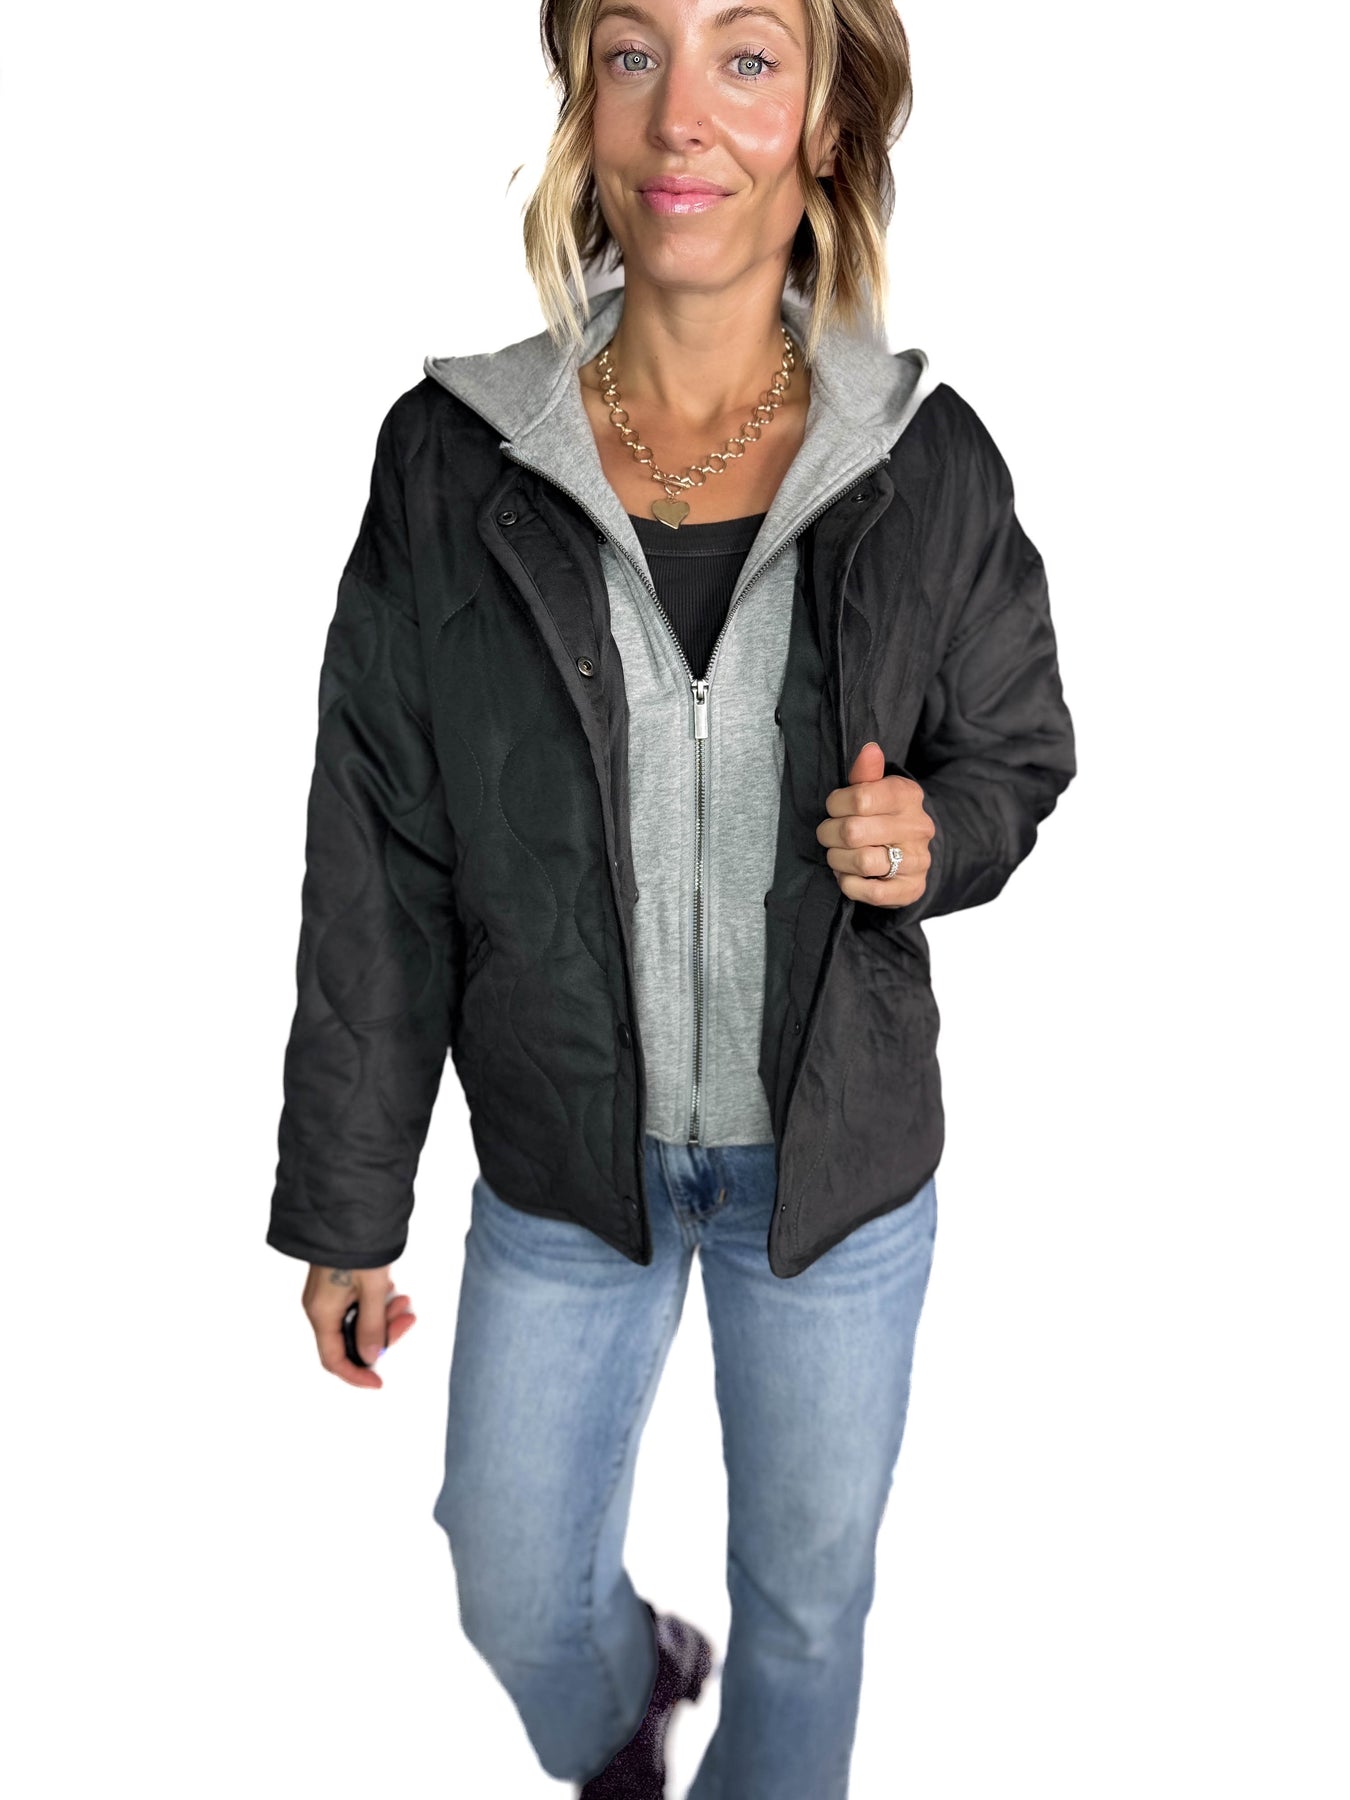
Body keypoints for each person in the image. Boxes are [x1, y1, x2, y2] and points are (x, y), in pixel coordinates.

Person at [266, 1, 1076, 1794]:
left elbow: (1017, 747)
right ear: (584, 100)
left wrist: (934, 837)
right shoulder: (451, 460)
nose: (679, 115)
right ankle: (629, 1706)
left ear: (829, 124)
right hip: (568, 1161)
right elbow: (379, 848)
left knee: (807, 1611)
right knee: (510, 1582)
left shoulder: (924, 457)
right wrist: (348, 1203)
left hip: (833, 1169)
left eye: (747, 57)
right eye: (632, 54)